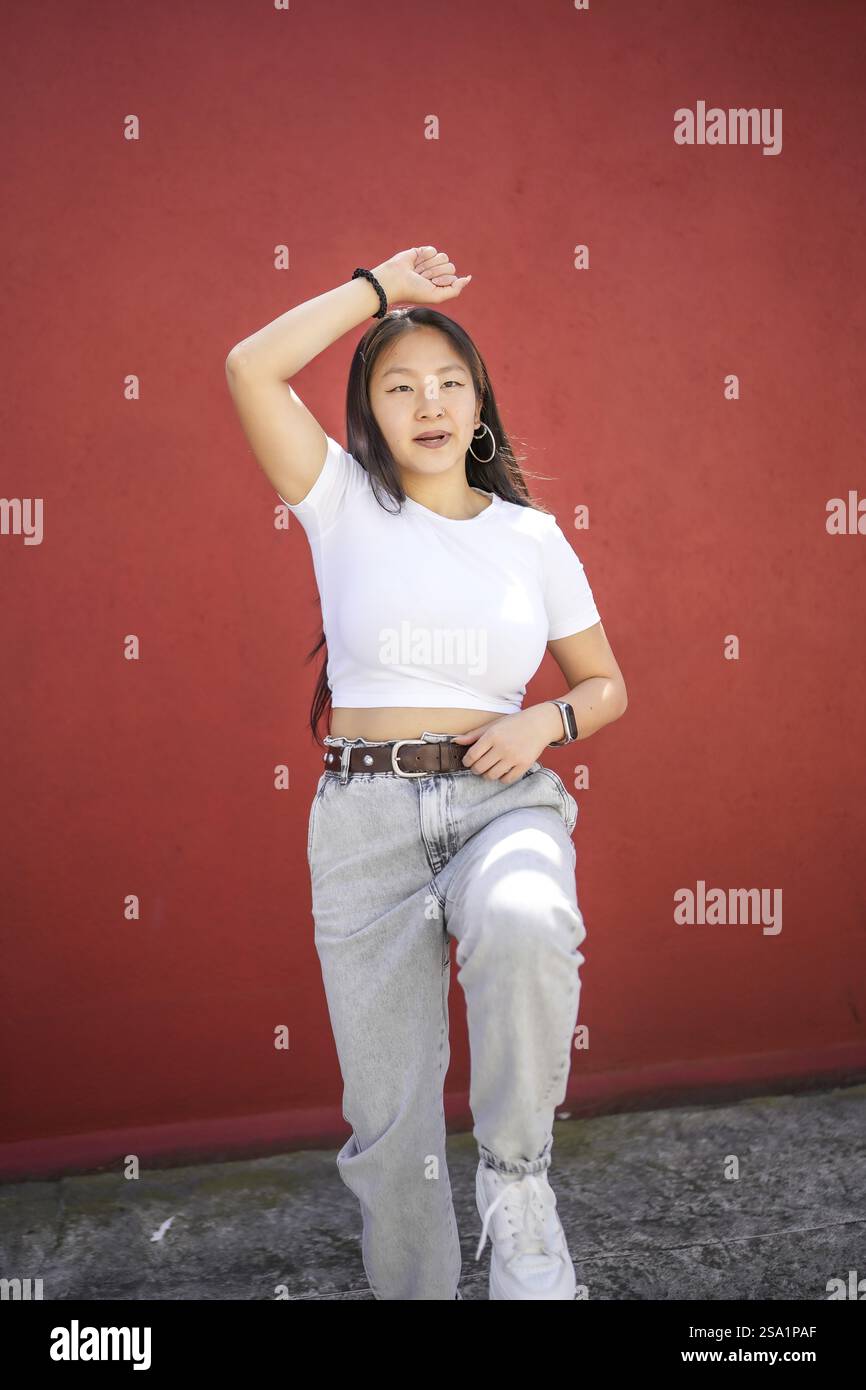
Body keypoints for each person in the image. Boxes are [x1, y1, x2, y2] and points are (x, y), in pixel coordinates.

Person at [224, 247, 628, 1300]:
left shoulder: (531, 539)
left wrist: (546, 717)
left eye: (448, 381)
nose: (428, 401)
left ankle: (518, 1192)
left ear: (479, 403)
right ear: (369, 414)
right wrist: (380, 292)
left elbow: (604, 683)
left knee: (530, 918)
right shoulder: (340, 504)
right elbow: (248, 369)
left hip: (503, 800)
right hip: (363, 824)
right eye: (397, 386)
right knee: (389, 1122)